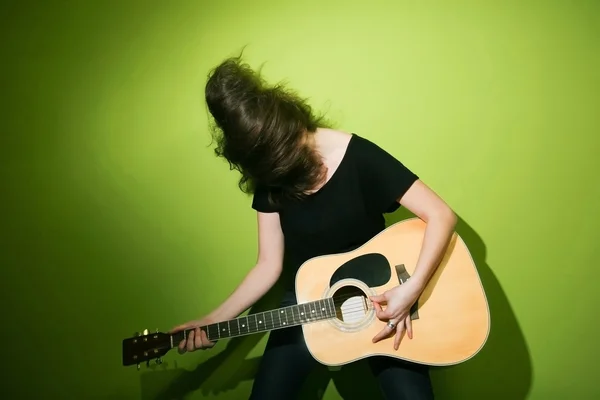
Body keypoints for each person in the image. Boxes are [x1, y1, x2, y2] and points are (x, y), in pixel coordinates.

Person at [171, 54, 458, 399]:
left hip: (383, 296)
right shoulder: (269, 175)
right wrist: (213, 321)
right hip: (307, 301)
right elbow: (268, 265)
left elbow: (441, 215)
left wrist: (409, 292)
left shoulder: (359, 156)